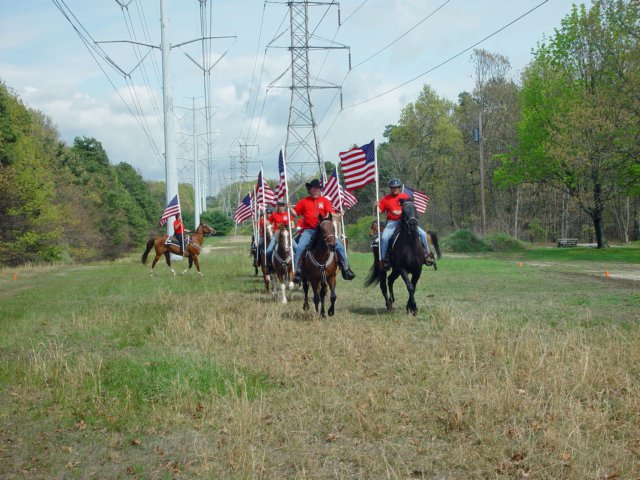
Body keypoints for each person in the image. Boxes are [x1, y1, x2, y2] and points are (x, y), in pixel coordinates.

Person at [289, 179, 355, 283]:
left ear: (320, 190)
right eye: (314, 188)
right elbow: (294, 213)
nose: (316, 190)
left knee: (339, 245)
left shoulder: (325, 201)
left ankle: (346, 267)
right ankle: (298, 271)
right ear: (309, 190)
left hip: (324, 230)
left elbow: (330, 213)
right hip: (309, 230)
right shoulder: (303, 201)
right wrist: (289, 208)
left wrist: (337, 214)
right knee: (300, 247)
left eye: (318, 188)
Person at [377, 178, 433, 270]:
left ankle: (427, 254)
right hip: (392, 223)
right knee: (384, 238)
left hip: (406, 222)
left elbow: (410, 209)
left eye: (396, 187)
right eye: (392, 187)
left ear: (399, 188)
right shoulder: (385, 199)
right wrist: (377, 207)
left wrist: (399, 212)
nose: (394, 189)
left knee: (423, 234)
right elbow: (380, 211)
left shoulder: (405, 197)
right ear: (390, 188)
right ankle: (384, 260)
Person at [265, 201, 296, 269]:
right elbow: (268, 222)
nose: (281, 207)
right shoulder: (274, 215)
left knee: (296, 248)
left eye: (282, 206)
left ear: (284, 207)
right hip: (277, 233)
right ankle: (270, 266)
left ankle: (298, 266)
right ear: (278, 207)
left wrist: (289, 226)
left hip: (287, 234)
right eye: (279, 206)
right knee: (268, 251)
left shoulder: (288, 215)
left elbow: (293, 225)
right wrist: (267, 225)